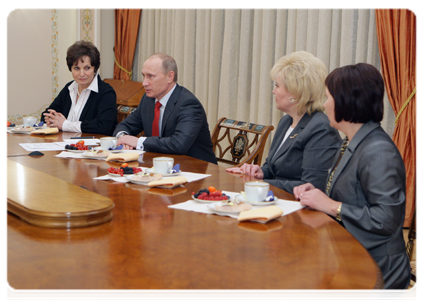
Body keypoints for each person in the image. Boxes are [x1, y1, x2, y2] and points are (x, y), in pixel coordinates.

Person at [293, 63, 410, 299]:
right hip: (348, 251)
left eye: (328, 97)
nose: (324, 104)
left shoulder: (378, 150)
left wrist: (330, 205)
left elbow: (386, 221)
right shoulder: (353, 140)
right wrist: (317, 193)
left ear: (346, 100)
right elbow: (353, 194)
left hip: (376, 265)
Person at [227, 51, 341, 194]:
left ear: (295, 92)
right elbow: (272, 167)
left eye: (277, 86)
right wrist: (259, 172)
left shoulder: (321, 129)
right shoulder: (286, 120)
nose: (274, 91)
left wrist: (259, 183)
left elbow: (311, 186)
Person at [113, 53, 217, 164]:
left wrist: (138, 142)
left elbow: (179, 144)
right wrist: (123, 139)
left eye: (150, 76)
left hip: (195, 170)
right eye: (144, 75)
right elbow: (125, 125)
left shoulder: (188, 104)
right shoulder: (148, 100)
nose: (144, 83)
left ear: (170, 77)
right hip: (158, 166)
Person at [41, 40, 117, 136]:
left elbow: (103, 126)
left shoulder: (106, 92)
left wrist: (65, 125)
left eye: (87, 68)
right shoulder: (69, 88)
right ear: (71, 69)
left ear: (95, 68)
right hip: (64, 145)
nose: (81, 74)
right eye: (76, 68)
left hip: (93, 148)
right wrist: (50, 119)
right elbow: (47, 114)